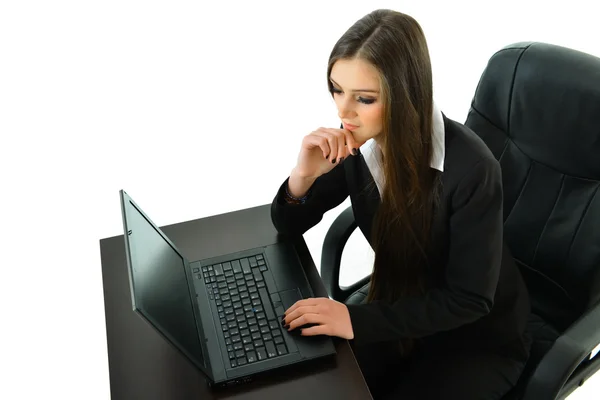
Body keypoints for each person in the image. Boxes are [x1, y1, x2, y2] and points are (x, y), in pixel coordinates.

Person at [271, 9, 531, 400]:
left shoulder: (473, 169)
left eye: (365, 98)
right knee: (317, 381)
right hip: (400, 308)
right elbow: (287, 226)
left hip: (474, 339)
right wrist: (302, 176)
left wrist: (352, 318)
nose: (344, 111)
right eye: (337, 89)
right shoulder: (357, 145)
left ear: (404, 91)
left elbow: (469, 299)